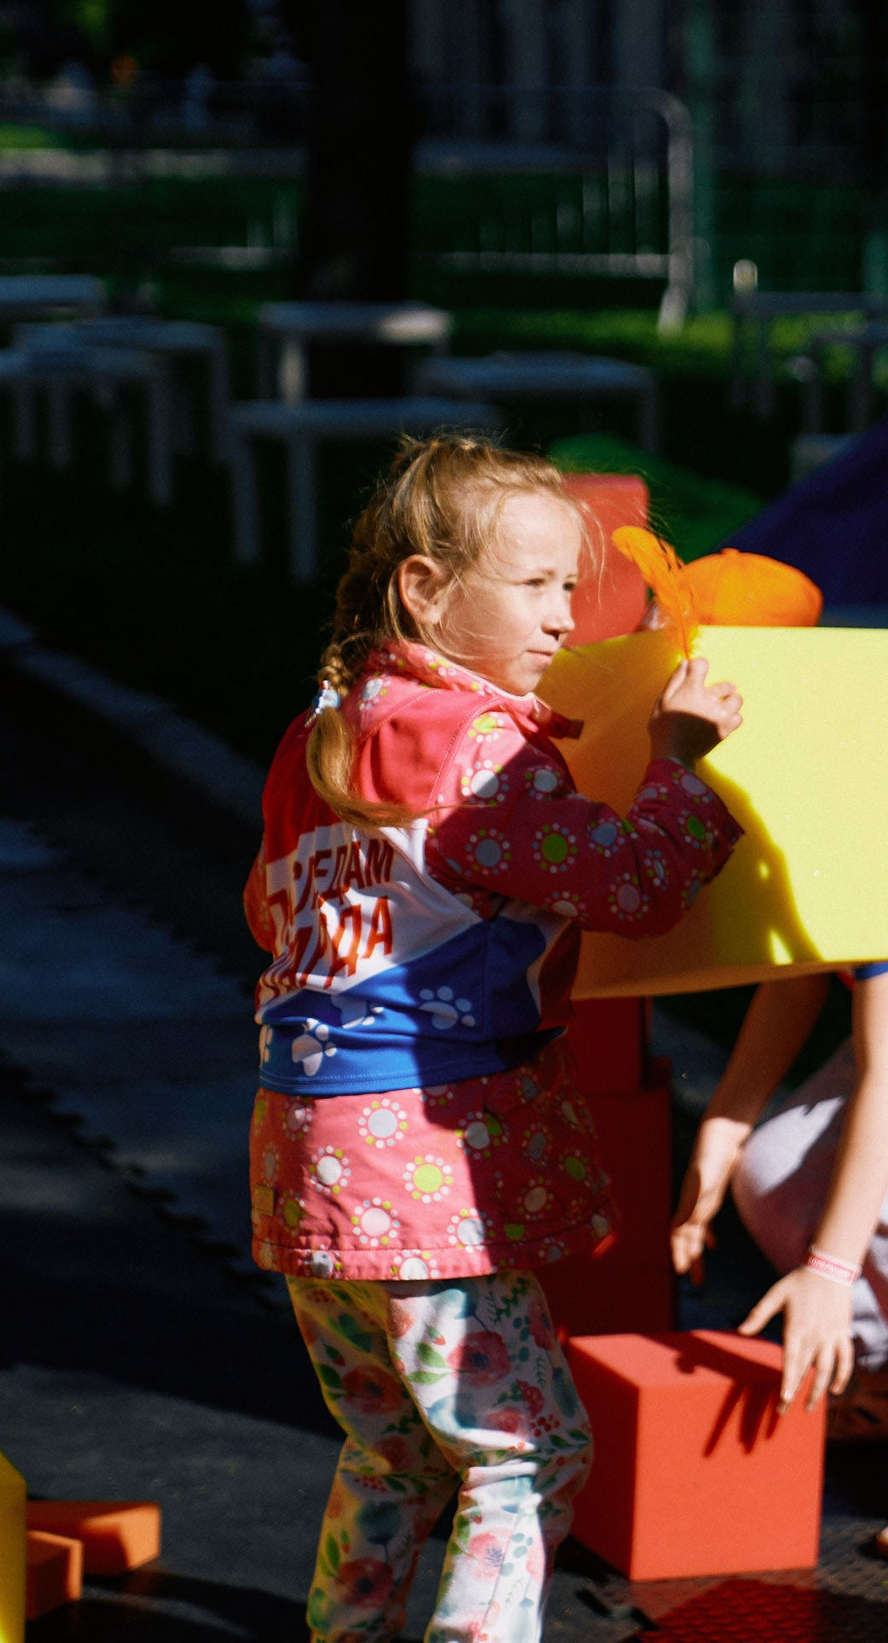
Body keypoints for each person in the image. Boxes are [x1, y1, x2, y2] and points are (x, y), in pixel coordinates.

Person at [243, 437, 745, 1642]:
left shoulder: (320, 742)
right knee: (523, 1454)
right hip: (416, 1174)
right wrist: (675, 758)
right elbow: (629, 881)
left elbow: (266, 912)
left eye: (572, 588)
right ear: (423, 589)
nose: (567, 620)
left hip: (304, 1151)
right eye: (534, 587)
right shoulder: (480, 751)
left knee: (387, 1446)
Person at [670, 754, 888, 1446]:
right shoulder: (791, 789)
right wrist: (724, 1127)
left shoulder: (882, 822)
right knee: (774, 1172)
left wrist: (829, 1271)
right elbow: (803, 974)